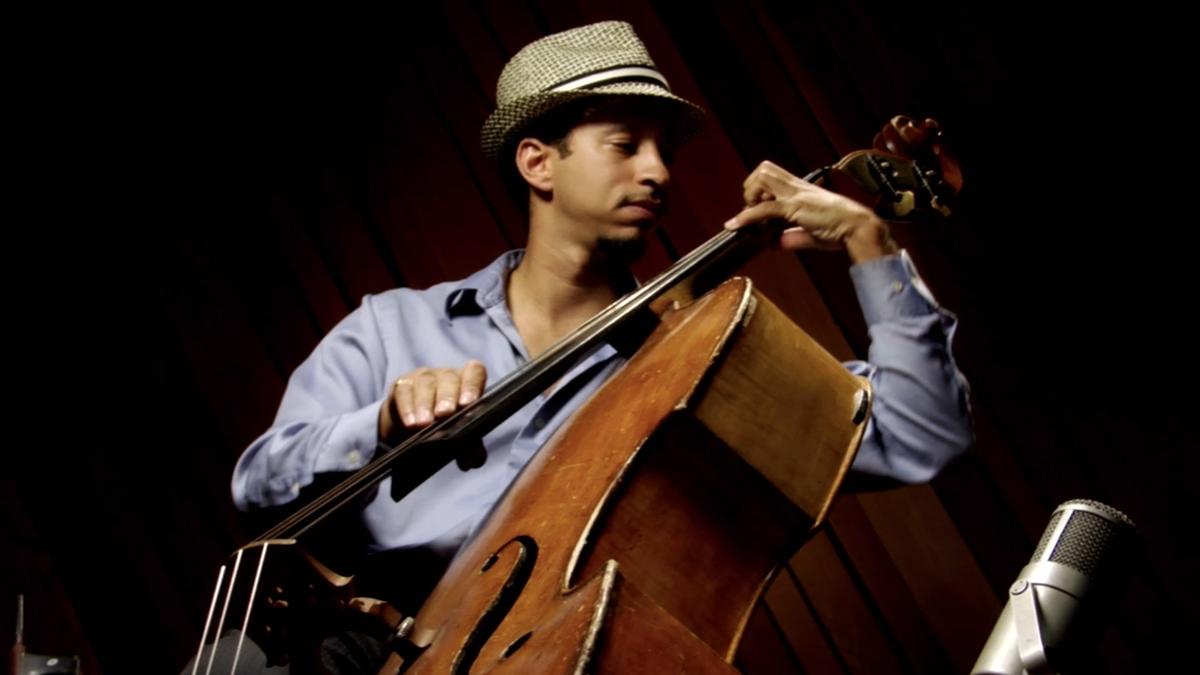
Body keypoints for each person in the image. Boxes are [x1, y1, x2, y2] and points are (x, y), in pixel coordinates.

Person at [215, 20, 971, 673]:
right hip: (348, 646)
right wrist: (377, 423)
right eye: (625, 144)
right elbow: (258, 482)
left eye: (664, 149)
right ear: (538, 161)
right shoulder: (393, 326)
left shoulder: (694, 368)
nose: (659, 170)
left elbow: (921, 428)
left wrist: (872, 244)